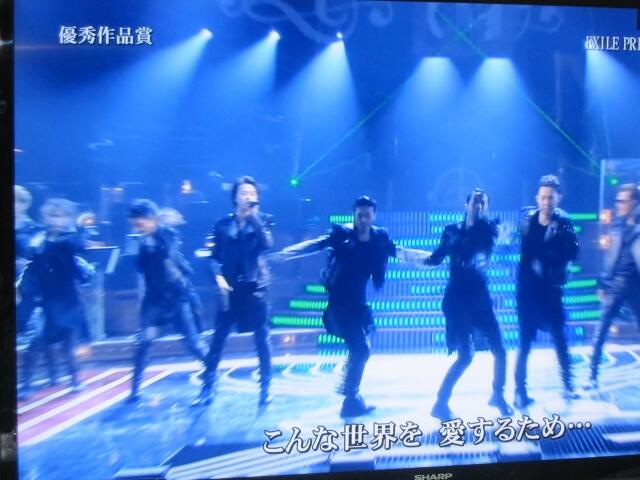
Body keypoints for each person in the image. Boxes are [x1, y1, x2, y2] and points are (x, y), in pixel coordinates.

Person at [271, 195, 404, 418]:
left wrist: (431, 259)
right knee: (361, 349)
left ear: (374, 216)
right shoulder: (342, 236)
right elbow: (316, 244)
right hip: (340, 307)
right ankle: (351, 398)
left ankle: (351, 396)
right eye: (359, 215)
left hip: (358, 306)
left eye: (367, 215)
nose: (363, 219)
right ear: (354, 215)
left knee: (360, 349)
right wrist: (286, 254)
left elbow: (399, 252)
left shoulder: (379, 240)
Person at [425, 189, 514, 420]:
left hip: (480, 300)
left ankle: (498, 395)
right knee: (465, 356)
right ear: (467, 205)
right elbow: (436, 257)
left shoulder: (489, 231)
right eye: (476, 201)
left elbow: (503, 244)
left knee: (500, 350)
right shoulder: (452, 231)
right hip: (457, 301)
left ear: (487, 207)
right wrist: (406, 256)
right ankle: (440, 403)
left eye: (483, 203)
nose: (479, 206)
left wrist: (506, 238)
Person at [193, 176, 274, 406]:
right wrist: (218, 277)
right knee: (218, 338)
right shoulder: (221, 225)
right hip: (229, 289)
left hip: (255, 288)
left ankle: (265, 387)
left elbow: (267, 244)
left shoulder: (264, 221)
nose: (248, 196)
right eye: (244, 193)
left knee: (262, 338)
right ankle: (208, 387)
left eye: (252, 193)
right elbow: (212, 258)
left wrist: (254, 217)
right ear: (235, 197)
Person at [127, 199, 207, 402]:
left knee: (193, 342)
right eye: (135, 222)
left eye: (141, 221)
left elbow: (168, 256)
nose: (138, 226)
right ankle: (135, 390)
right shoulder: (139, 240)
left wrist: (150, 241)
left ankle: (211, 378)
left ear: (152, 219)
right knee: (144, 342)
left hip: (177, 298)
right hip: (154, 301)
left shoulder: (167, 234)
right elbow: (140, 268)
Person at [514, 175, 579, 408]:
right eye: (543, 197)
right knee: (525, 343)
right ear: (537, 198)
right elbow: (522, 255)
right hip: (528, 294)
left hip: (551, 292)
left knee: (560, 339)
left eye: (550, 197)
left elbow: (573, 253)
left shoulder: (564, 223)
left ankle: (568, 386)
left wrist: (551, 262)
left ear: (558, 198)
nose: (546, 202)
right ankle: (520, 391)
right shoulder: (527, 222)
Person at [18, 198, 90, 400]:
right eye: (52, 216)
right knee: (36, 341)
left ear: (67, 218)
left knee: (69, 342)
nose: (56, 220)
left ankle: (74, 379)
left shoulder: (69, 239)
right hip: (45, 299)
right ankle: (27, 384)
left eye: (61, 216)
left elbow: (79, 246)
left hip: (68, 300)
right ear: (45, 217)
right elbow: (28, 252)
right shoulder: (39, 236)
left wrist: (77, 228)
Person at [587, 183, 640, 389]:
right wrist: (604, 283)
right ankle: (592, 375)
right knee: (602, 329)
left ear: (633, 203)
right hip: (617, 284)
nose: (618, 205)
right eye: (617, 201)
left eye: (622, 201)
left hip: (636, 286)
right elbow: (611, 258)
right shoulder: (617, 227)